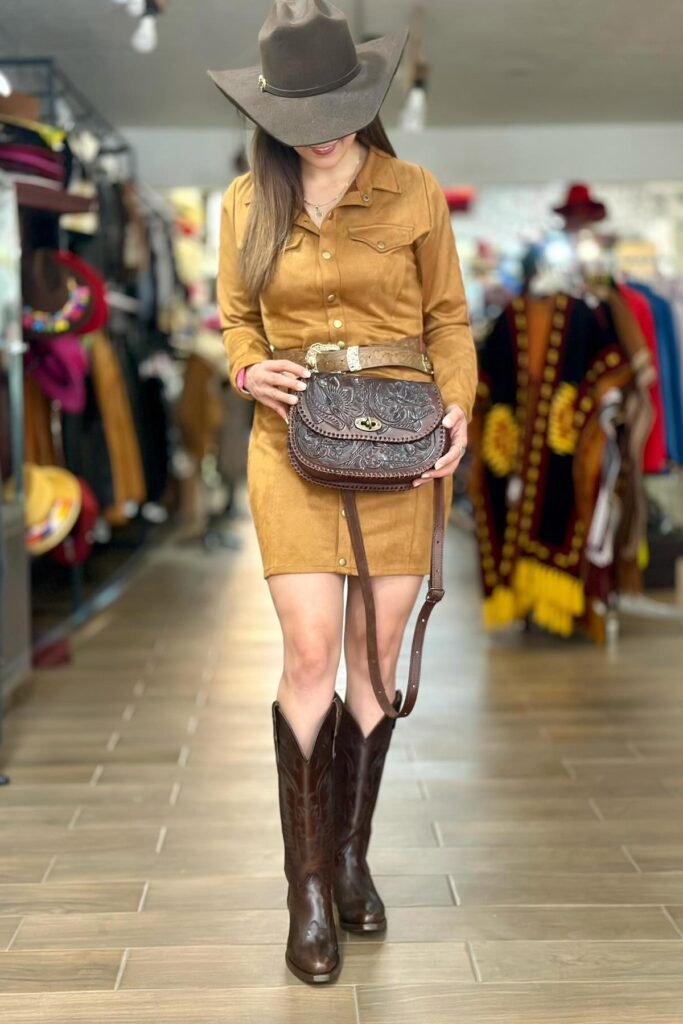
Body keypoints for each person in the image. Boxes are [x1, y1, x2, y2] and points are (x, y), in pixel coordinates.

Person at [210, 0, 477, 985]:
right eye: (296, 115)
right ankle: (310, 888)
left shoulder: (412, 192)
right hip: (290, 444)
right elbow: (236, 316)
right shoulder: (247, 201)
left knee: (371, 659)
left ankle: (353, 850)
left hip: (402, 441)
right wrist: (247, 371)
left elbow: (447, 316)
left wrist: (456, 407)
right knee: (310, 649)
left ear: (363, 101)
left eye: (334, 108)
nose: (316, 131)